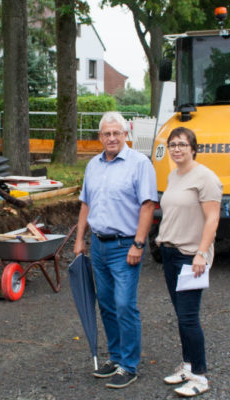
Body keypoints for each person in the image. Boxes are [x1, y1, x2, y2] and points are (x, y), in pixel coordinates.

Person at [73, 111, 157, 389]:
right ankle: (116, 357)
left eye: (116, 133)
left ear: (126, 135)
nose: (111, 138)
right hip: (98, 245)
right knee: (107, 305)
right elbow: (86, 203)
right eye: (106, 134)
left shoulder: (139, 164)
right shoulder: (93, 166)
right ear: (100, 137)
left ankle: (129, 366)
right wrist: (79, 240)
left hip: (125, 247)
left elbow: (148, 205)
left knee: (124, 305)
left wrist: (139, 243)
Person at [154, 127, 221, 397]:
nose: (177, 148)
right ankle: (188, 365)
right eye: (173, 144)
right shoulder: (173, 175)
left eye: (182, 144)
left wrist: (201, 254)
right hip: (170, 254)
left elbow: (213, 219)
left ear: (194, 148)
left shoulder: (206, 178)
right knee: (181, 316)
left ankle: (200, 376)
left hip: (190, 256)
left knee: (189, 318)